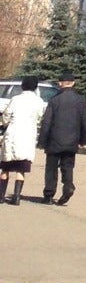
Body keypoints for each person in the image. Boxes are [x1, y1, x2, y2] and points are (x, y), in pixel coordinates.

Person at [36, 73, 86, 204]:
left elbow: (46, 122)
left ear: (60, 83)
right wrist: (83, 140)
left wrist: (42, 141)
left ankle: (49, 194)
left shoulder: (54, 100)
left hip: (54, 140)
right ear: (73, 83)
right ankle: (68, 186)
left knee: (51, 168)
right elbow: (85, 123)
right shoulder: (80, 100)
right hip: (72, 140)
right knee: (68, 166)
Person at [0, 76, 47, 204]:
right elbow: (39, 118)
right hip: (28, 135)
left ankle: (1, 196)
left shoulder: (15, 99)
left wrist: (5, 124)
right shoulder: (39, 101)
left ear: (23, 86)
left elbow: (6, 115)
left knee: (6, 167)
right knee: (21, 168)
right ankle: (16, 196)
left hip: (13, 134)